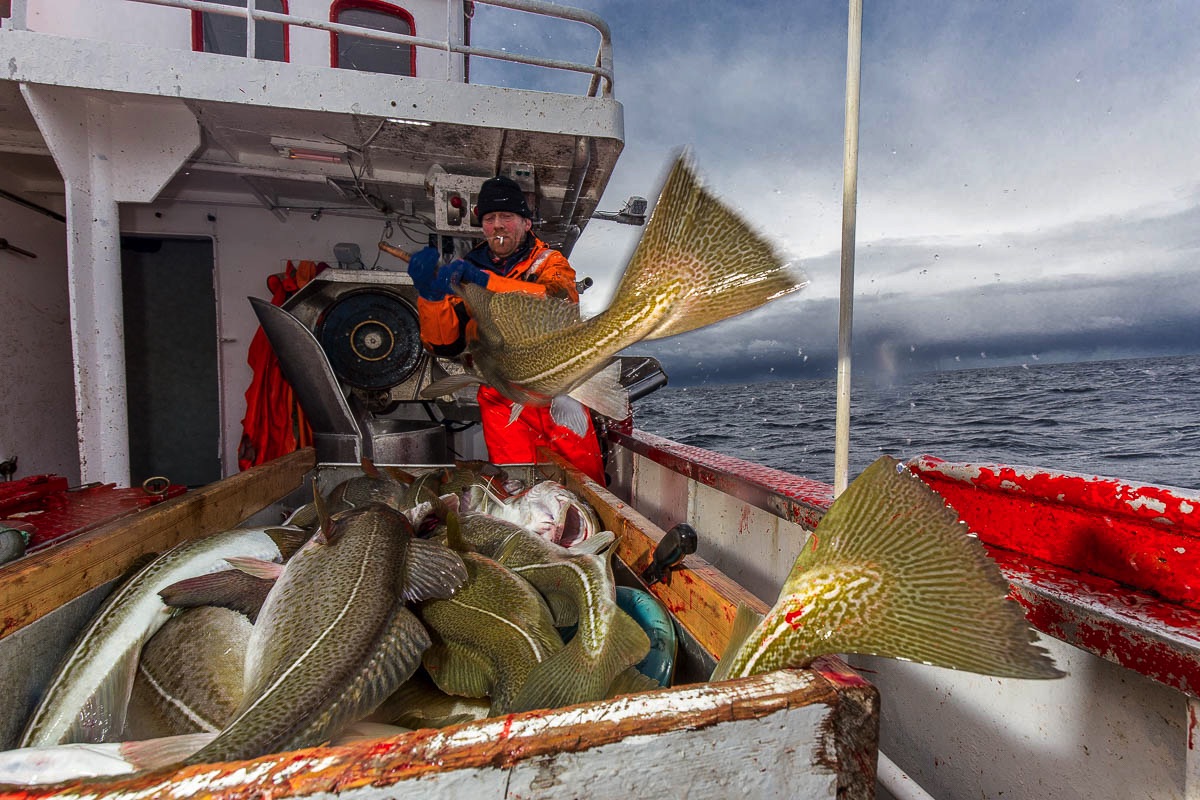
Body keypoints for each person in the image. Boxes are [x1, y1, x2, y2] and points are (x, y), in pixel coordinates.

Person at [407, 175, 606, 484]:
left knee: (585, 482)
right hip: (503, 397)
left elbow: (558, 300)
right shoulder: (465, 272)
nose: (497, 225)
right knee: (516, 485)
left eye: (506, 217)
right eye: (489, 218)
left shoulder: (549, 262)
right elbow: (444, 344)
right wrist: (430, 299)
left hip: (558, 390)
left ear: (526, 223)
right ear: (482, 226)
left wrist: (486, 283)